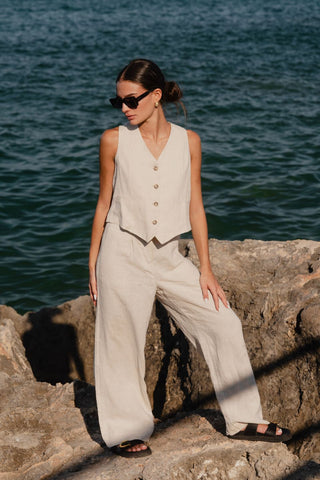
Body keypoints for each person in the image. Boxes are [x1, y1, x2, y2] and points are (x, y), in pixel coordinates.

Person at [88, 59, 291, 457]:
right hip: (121, 252)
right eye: (119, 102)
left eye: (132, 100)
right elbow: (103, 204)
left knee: (223, 322)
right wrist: (93, 263)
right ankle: (126, 430)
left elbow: (196, 205)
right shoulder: (113, 141)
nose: (125, 108)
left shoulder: (189, 141)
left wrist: (206, 269)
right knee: (120, 343)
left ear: (156, 96)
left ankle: (243, 418)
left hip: (169, 254)